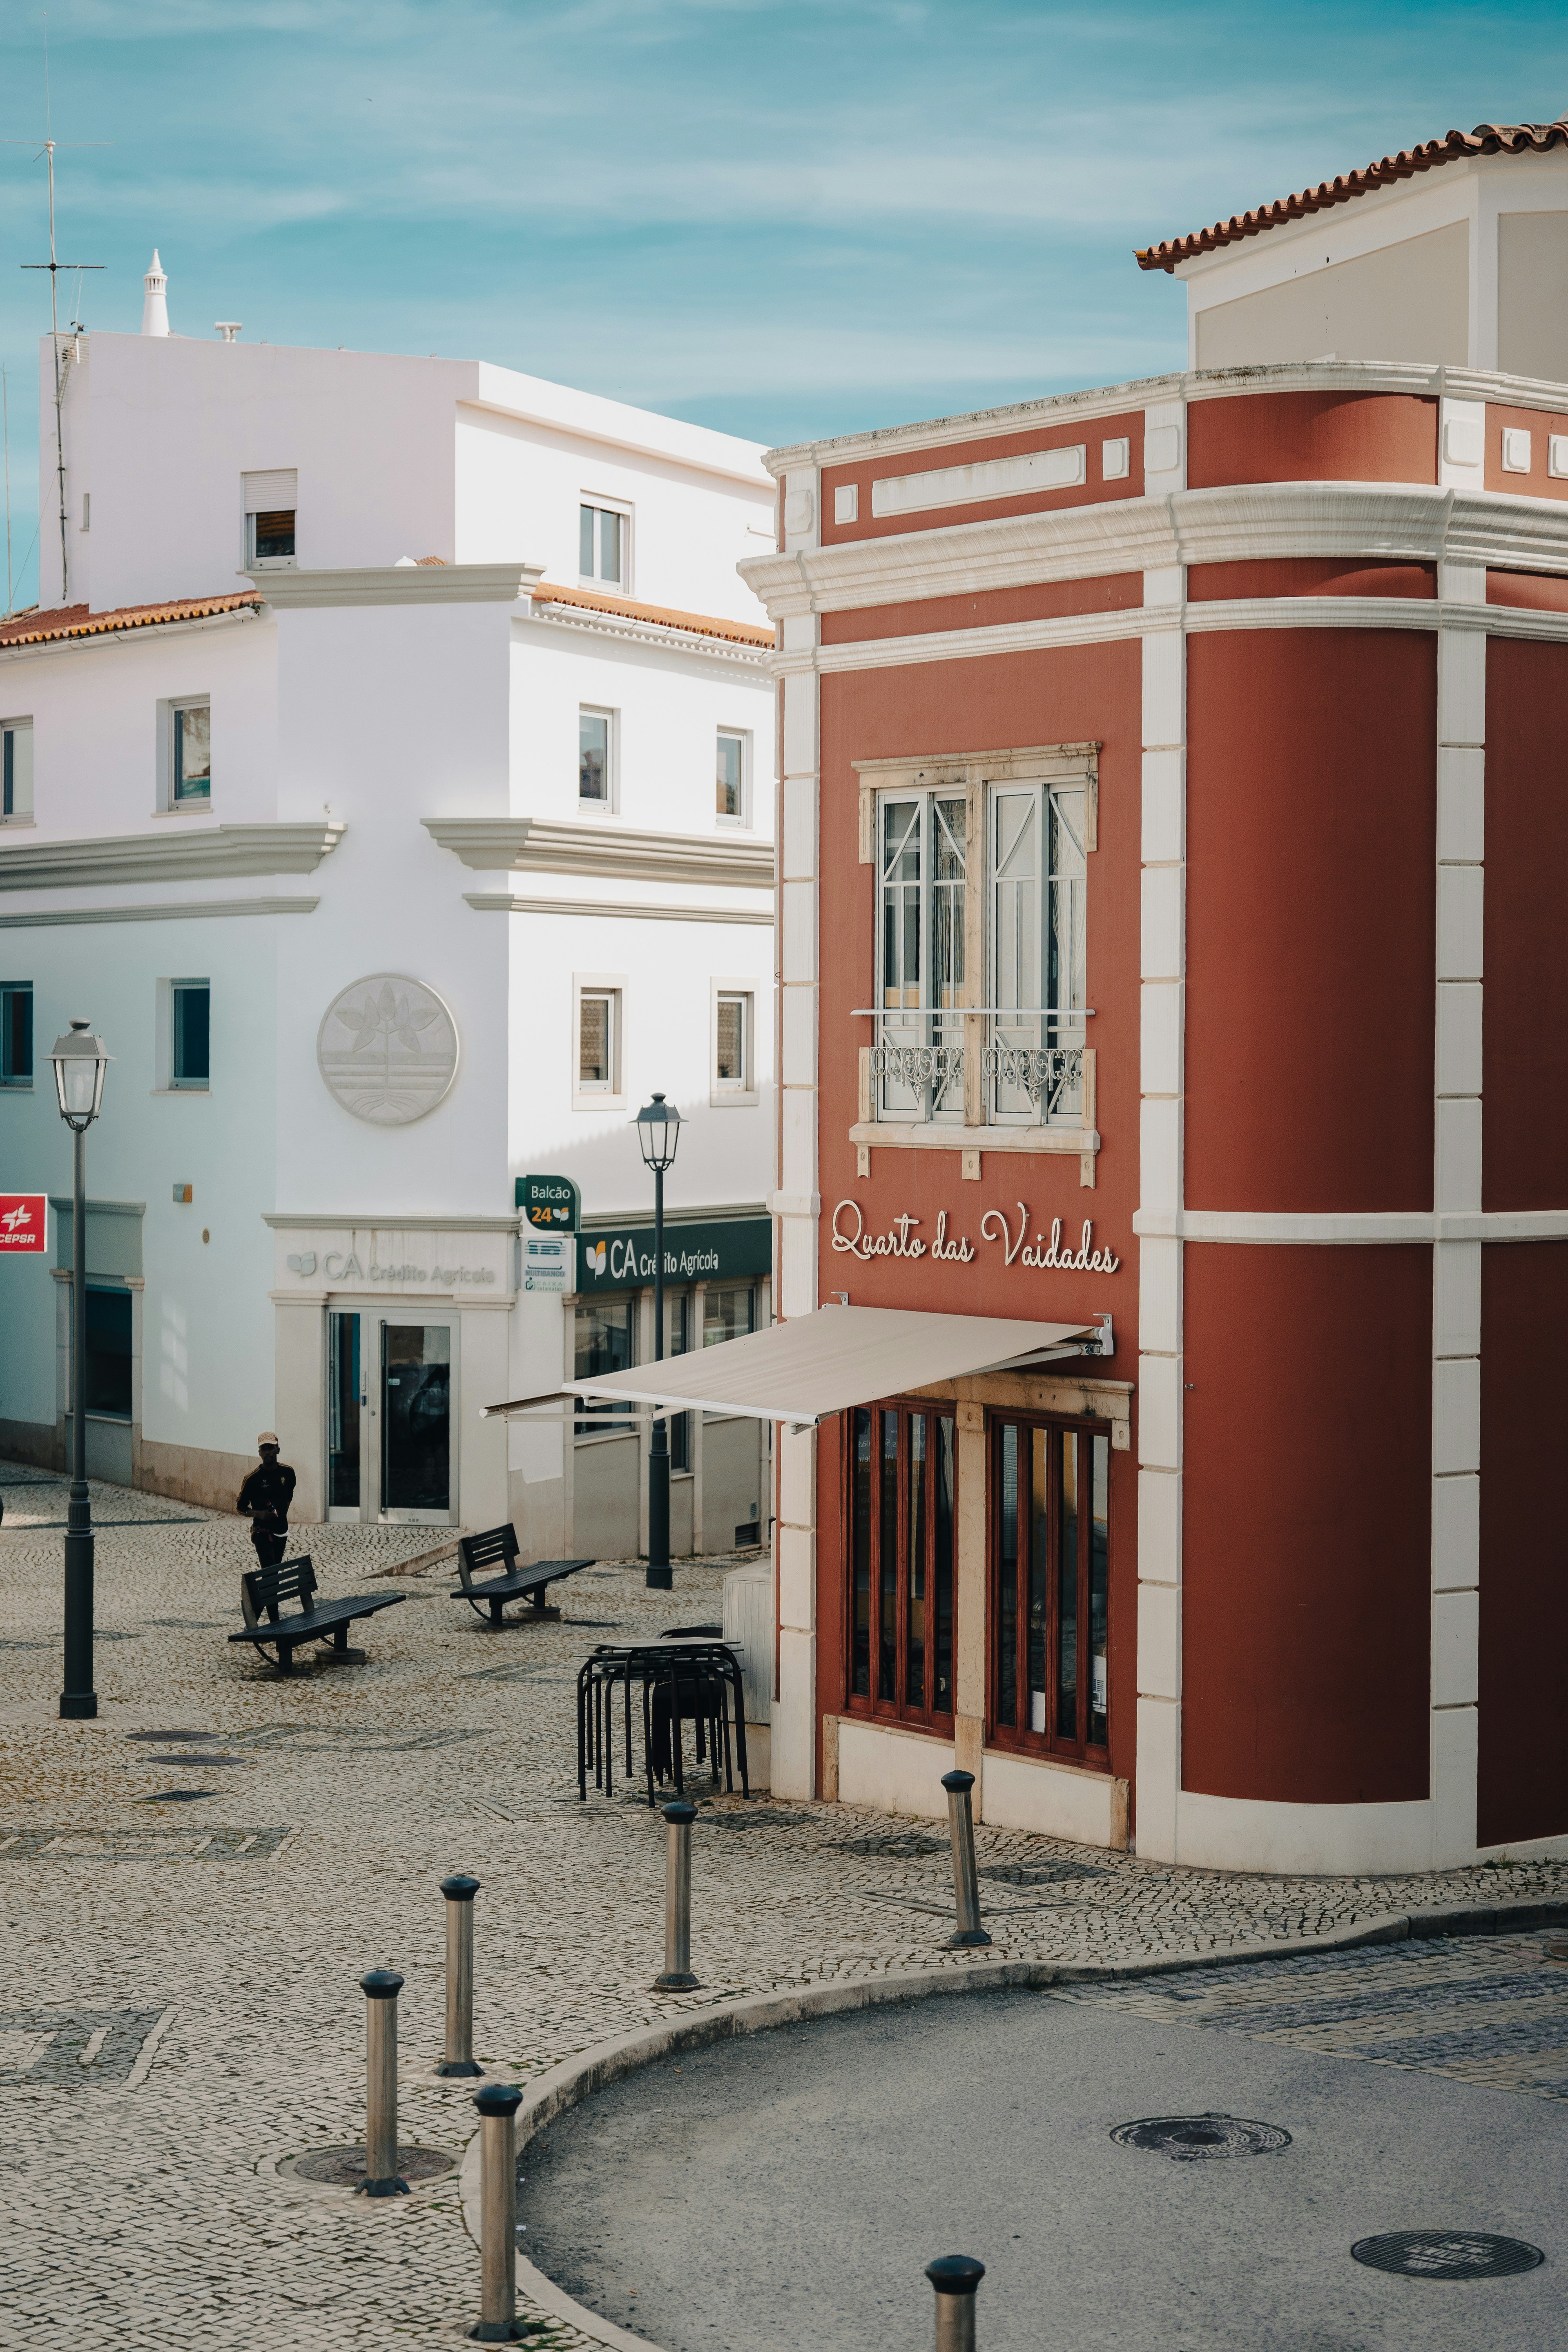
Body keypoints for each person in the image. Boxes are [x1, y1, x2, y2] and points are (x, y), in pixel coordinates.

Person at [237, 1433, 296, 1568]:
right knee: (269, 1571)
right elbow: (240, 1507)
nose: (268, 1452)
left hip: (281, 1531)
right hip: (262, 1532)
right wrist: (259, 1514)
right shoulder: (252, 1479)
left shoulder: (288, 1473)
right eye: (264, 1449)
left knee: (274, 1571)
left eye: (271, 1448)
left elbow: (289, 1495)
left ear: (278, 1450)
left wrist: (282, 1513)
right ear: (259, 1453)